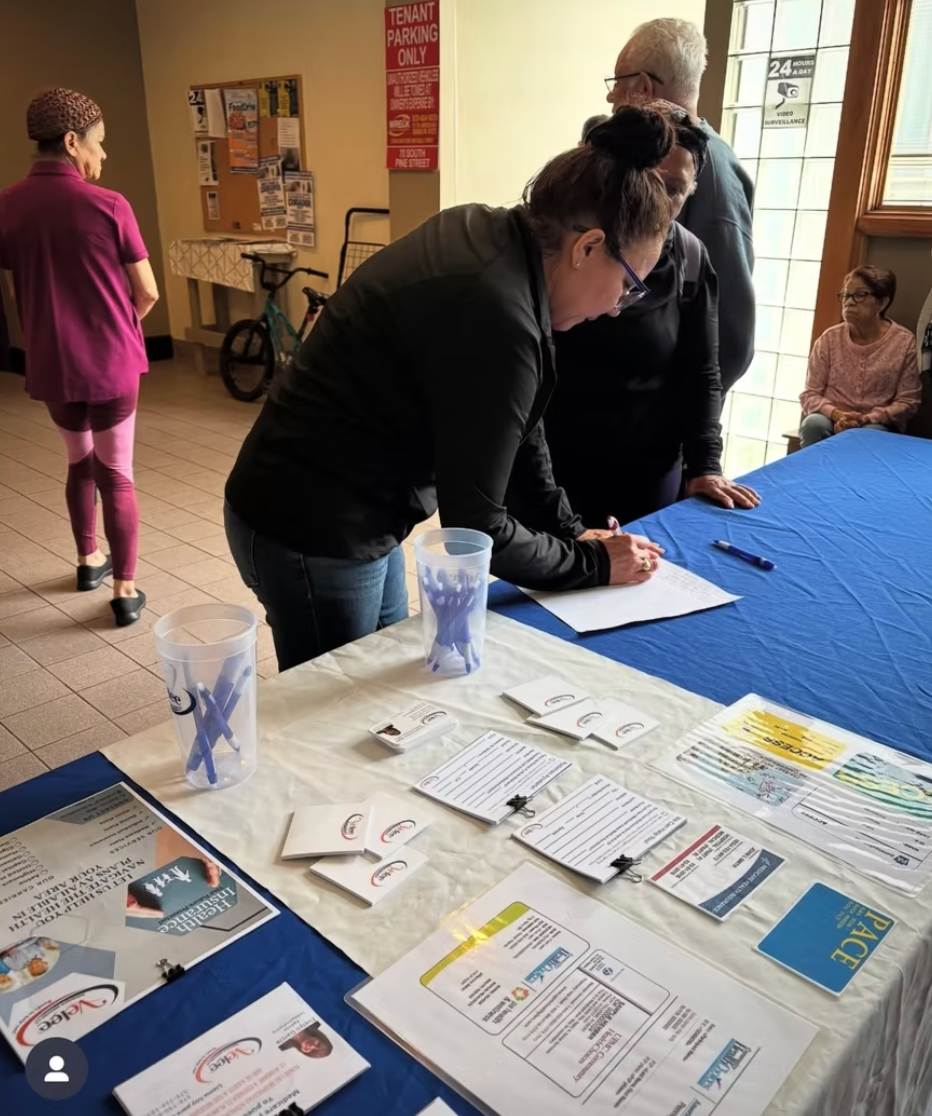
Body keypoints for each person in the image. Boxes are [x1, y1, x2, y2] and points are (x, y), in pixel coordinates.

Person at [225, 106, 677, 671]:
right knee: (338, 708)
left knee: (384, 679)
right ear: (587, 247)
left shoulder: (497, 239)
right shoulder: (497, 309)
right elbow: (475, 530)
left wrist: (570, 532)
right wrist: (593, 565)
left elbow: (521, 425)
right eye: (629, 286)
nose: (616, 308)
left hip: (349, 505)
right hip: (309, 522)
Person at [547, 104, 759, 527]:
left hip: (647, 470)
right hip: (555, 464)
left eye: (675, 189)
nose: (658, 200)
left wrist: (705, 465)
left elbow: (702, 371)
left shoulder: (690, 258)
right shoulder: (568, 246)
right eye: (649, 180)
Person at [0, 89, 158, 627]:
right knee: (117, 473)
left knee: (78, 462)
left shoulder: (7, 205)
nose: (103, 155)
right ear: (71, 141)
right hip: (112, 364)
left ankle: (89, 560)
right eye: (99, 144)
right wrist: (122, 324)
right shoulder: (110, 205)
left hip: (51, 363)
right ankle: (124, 590)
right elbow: (149, 291)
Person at [606, 18, 755, 393]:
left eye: (617, 83)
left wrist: (682, 422)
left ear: (642, 86)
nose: (610, 98)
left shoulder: (712, 174)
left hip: (659, 417)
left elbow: (731, 334)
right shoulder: (632, 157)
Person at [799, 266, 920, 447]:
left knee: (871, 434)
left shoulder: (904, 343)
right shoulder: (829, 339)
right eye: (846, 295)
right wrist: (837, 414)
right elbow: (810, 394)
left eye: (860, 295)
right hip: (831, 418)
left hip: (877, 423)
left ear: (882, 303)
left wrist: (867, 418)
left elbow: (908, 402)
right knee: (813, 424)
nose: (849, 302)